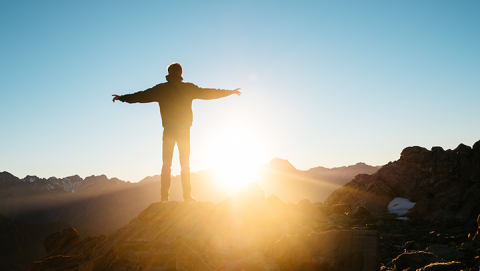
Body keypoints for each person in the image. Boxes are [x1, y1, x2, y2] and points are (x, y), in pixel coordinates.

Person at [112, 63, 241, 203]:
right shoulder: (188, 88)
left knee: (166, 164)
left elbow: (140, 96)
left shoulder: (161, 89)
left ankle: (164, 197)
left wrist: (122, 98)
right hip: (184, 130)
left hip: (169, 130)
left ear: (169, 73)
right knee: (185, 163)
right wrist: (230, 92)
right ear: (180, 73)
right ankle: (187, 197)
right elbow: (209, 93)